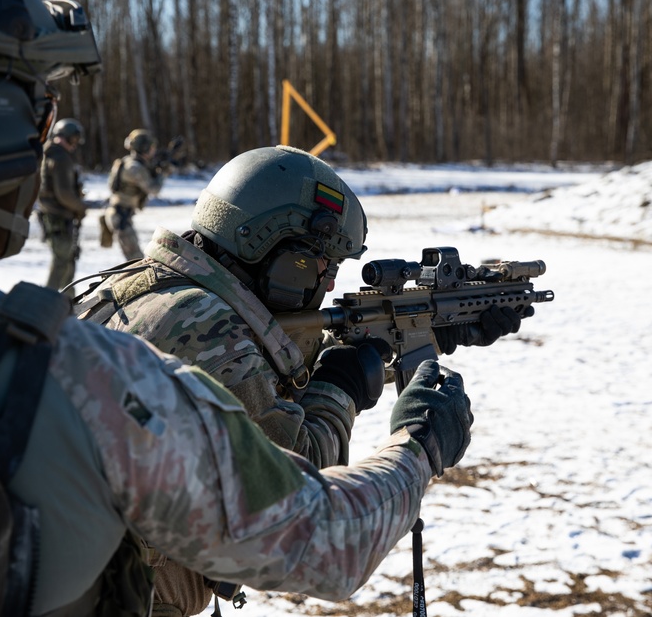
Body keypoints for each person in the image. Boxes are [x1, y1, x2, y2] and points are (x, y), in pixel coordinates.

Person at [0, 0, 474, 616]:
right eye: (35, 117)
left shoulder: (103, 314)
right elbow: (323, 537)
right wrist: (418, 444)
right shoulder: (91, 382)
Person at [73, 145, 526, 616]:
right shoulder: (204, 326)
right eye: (321, 264)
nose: (329, 284)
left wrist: (418, 333)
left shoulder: (154, 288)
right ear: (274, 250)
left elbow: (264, 376)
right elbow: (297, 488)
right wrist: (341, 389)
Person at [38, 117, 87, 295]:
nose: (75, 145)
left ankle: (69, 306)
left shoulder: (49, 153)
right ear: (64, 137)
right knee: (61, 264)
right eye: (73, 140)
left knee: (66, 264)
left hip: (52, 216)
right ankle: (46, 305)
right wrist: (80, 207)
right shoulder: (61, 158)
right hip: (60, 217)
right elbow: (64, 194)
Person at [104, 128, 163, 259]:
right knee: (135, 261)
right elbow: (154, 189)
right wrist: (162, 172)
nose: (154, 150)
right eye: (151, 147)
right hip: (121, 217)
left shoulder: (127, 162)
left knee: (134, 260)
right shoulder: (134, 167)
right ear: (145, 148)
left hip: (120, 214)